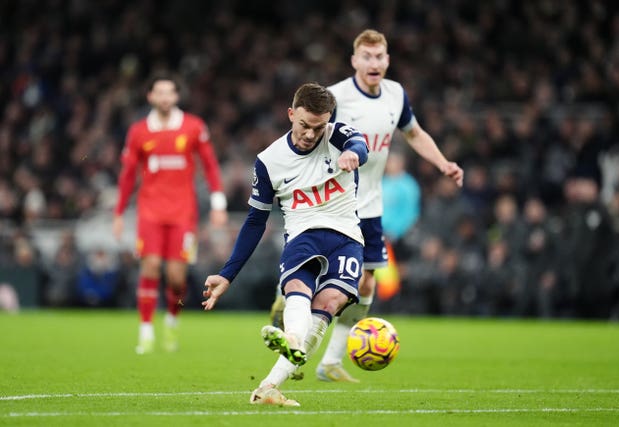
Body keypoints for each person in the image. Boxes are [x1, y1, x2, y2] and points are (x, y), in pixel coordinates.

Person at [270, 29, 464, 382]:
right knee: (322, 276)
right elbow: (307, 139)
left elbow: (415, 133)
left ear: (388, 60)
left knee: (366, 284)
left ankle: (329, 361)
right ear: (354, 61)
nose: (374, 63)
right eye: (367, 57)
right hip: (333, 201)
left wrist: (443, 163)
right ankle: (293, 322)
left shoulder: (395, 95)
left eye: (380, 57)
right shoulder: (338, 97)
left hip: (370, 205)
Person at [202, 82, 369, 406]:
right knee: (298, 288)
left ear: (329, 120)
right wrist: (227, 274)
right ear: (291, 114)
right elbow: (254, 221)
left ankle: (267, 387)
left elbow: (359, 145)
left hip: (347, 237)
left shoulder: (338, 136)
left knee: (330, 303)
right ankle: (292, 336)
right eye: (304, 124)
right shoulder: (269, 161)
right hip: (303, 234)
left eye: (318, 127)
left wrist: (352, 153)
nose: (310, 134)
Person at [113, 75, 228, 354]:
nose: (165, 97)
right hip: (150, 211)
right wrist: (118, 212)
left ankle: (172, 321)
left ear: (176, 97)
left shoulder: (193, 127)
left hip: (183, 213)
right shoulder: (139, 131)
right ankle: (146, 331)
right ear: (150, 96)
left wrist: (218, 203)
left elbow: (210, 165)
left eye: (170, 93)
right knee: (150, 267)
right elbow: (128, 175)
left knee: (177, 278)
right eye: (159, 92)